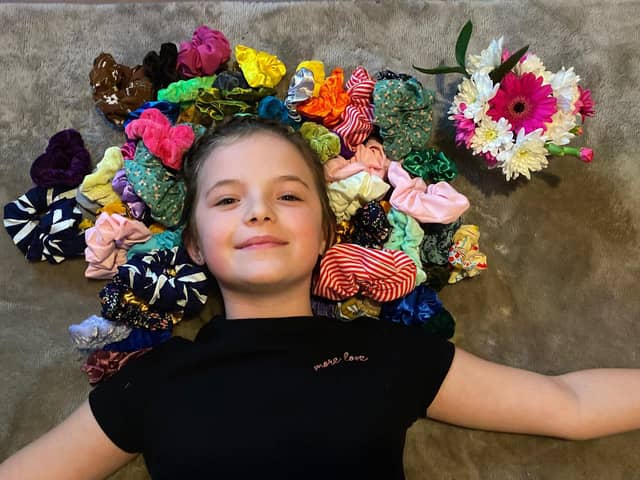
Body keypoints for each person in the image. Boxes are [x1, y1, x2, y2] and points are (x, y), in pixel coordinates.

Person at [1, 117, 639, 480]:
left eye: (289, 195)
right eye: (227, 200)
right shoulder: (152, 383)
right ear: (193, 244)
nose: (258, 212)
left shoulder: (388, 354)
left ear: (328, 233)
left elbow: (568, 403)